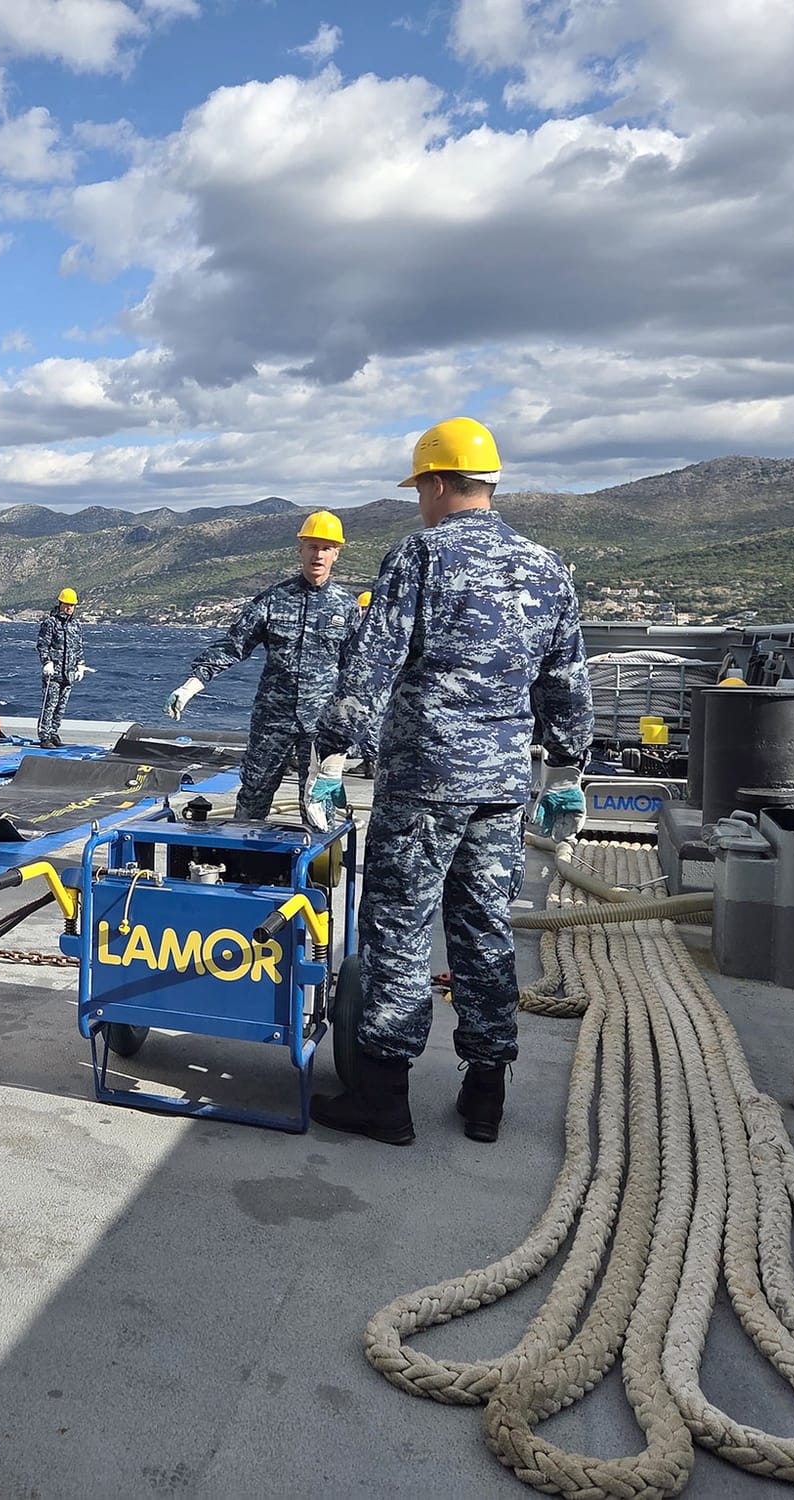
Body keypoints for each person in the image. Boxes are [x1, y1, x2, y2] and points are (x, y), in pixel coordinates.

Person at [307, 418, 592, 1146]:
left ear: (435, 483)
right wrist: (565, 773)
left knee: (399, 929)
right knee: (485, 928)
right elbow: (566, 684)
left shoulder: (421, 555)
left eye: (419, 490)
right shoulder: (547, 566)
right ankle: (485, 1094)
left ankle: (383, 1098)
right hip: (502, 787)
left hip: (424, 782)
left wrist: (330, 760)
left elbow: (370, 666)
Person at [164, 512, 359, 820]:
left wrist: (351, 733)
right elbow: (234, 645)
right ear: (300, 549)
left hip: (320, 724)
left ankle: (319, 853)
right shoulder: (273, 600)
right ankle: (243, 851)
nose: (318, 555)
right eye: (312, 546)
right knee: (253, 798)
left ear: (337, 553)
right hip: (272, 719)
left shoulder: (347, 607)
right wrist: (192, 684)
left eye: (326, 547)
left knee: (319, 808)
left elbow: (357, 671)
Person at [36, 587, 88, 747]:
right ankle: (44, 736)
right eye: (67, 604)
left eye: (72, 605)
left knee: (61, 707)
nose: (69, 608)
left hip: (68, 673)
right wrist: (46, 662)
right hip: (54, 673)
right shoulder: (50, 623)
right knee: (50, 705)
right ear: (60, 604)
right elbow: (42, 645)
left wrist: (80, 664)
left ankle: (53, 733)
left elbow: (78, 647)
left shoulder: (75, 625)